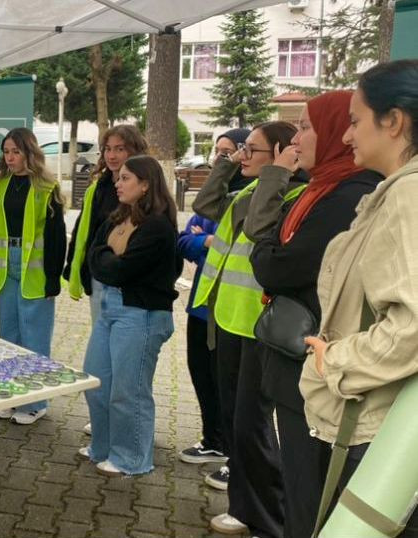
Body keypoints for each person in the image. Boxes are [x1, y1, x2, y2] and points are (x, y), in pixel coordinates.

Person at [244, 91, 381, 537]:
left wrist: (266, 253)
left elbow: (276, 266)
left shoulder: (348, 197)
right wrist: (269, 251)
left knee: (308, 490)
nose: (296, 139)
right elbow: (267, 245)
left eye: (305, 127)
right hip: (296, 358)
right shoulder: (319, 189)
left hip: (315, 364)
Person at [301, 60, 418, 535]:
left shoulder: (409, 198)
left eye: (355, 120)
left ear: (394, 121)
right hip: (373, 423)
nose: (347, 136)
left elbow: (413, 324)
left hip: (374, 431)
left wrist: (337, 360)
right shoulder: (394, 193)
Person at [193, 121, 307, 538]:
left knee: (253, 425)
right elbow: (206, 205)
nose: (243, 156)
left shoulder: (290, 193)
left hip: (258, 326)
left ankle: (268, 514)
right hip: (228, 318)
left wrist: (277, 173)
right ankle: (244, 505)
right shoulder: (247, 190)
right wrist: (225, 164)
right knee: (235, 421)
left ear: (280, 153)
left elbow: (261, 227)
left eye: (251, 151)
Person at [79, 155, 181, 476]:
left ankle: (132, 458)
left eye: (125, 178)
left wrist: (106, 260)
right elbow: (93, 257)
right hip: (110, 309)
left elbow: (122, 271)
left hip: (141, 314)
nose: (117, 183)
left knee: (129, 390)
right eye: (118, 177)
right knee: (96, 380)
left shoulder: (158, 226)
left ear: (146, 184)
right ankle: (103, 446)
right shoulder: (116, 218)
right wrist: (107, 260)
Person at [64, 124, 148, 436]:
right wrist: (76, 266)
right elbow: (85, 229)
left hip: (124, 284)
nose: (112, 155)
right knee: (103, 356)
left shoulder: (140, 187)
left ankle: (122, 423)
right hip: (98, 278)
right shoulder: (99, 184)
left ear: (134, 151)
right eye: (108, 149)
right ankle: (103, 416)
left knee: (121, 356)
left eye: (120, 149)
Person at [177, 129, 251, 467]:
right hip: (201, 302)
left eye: (228, 152)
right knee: (201, 374)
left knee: (229, 385)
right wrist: (205, 241)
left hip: (230, 308)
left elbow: (235, 247)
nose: (220, 159)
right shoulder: (214, 197)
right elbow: (182, 240)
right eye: (217, 153)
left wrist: (206, 238)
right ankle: (213, 439)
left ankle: (234, 455)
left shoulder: (249, 198)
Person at [0, 128, 66, 425]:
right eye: (6, 152)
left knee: (35, 337)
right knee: (9, 336)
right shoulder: (0, 185)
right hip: (5, 267)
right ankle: (9, 395)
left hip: (36, 268)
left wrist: (53, 278)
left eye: (15, 152)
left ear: (29, 153)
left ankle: (35, 403)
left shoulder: (48, 186)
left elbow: (58, 237)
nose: (10, 157)